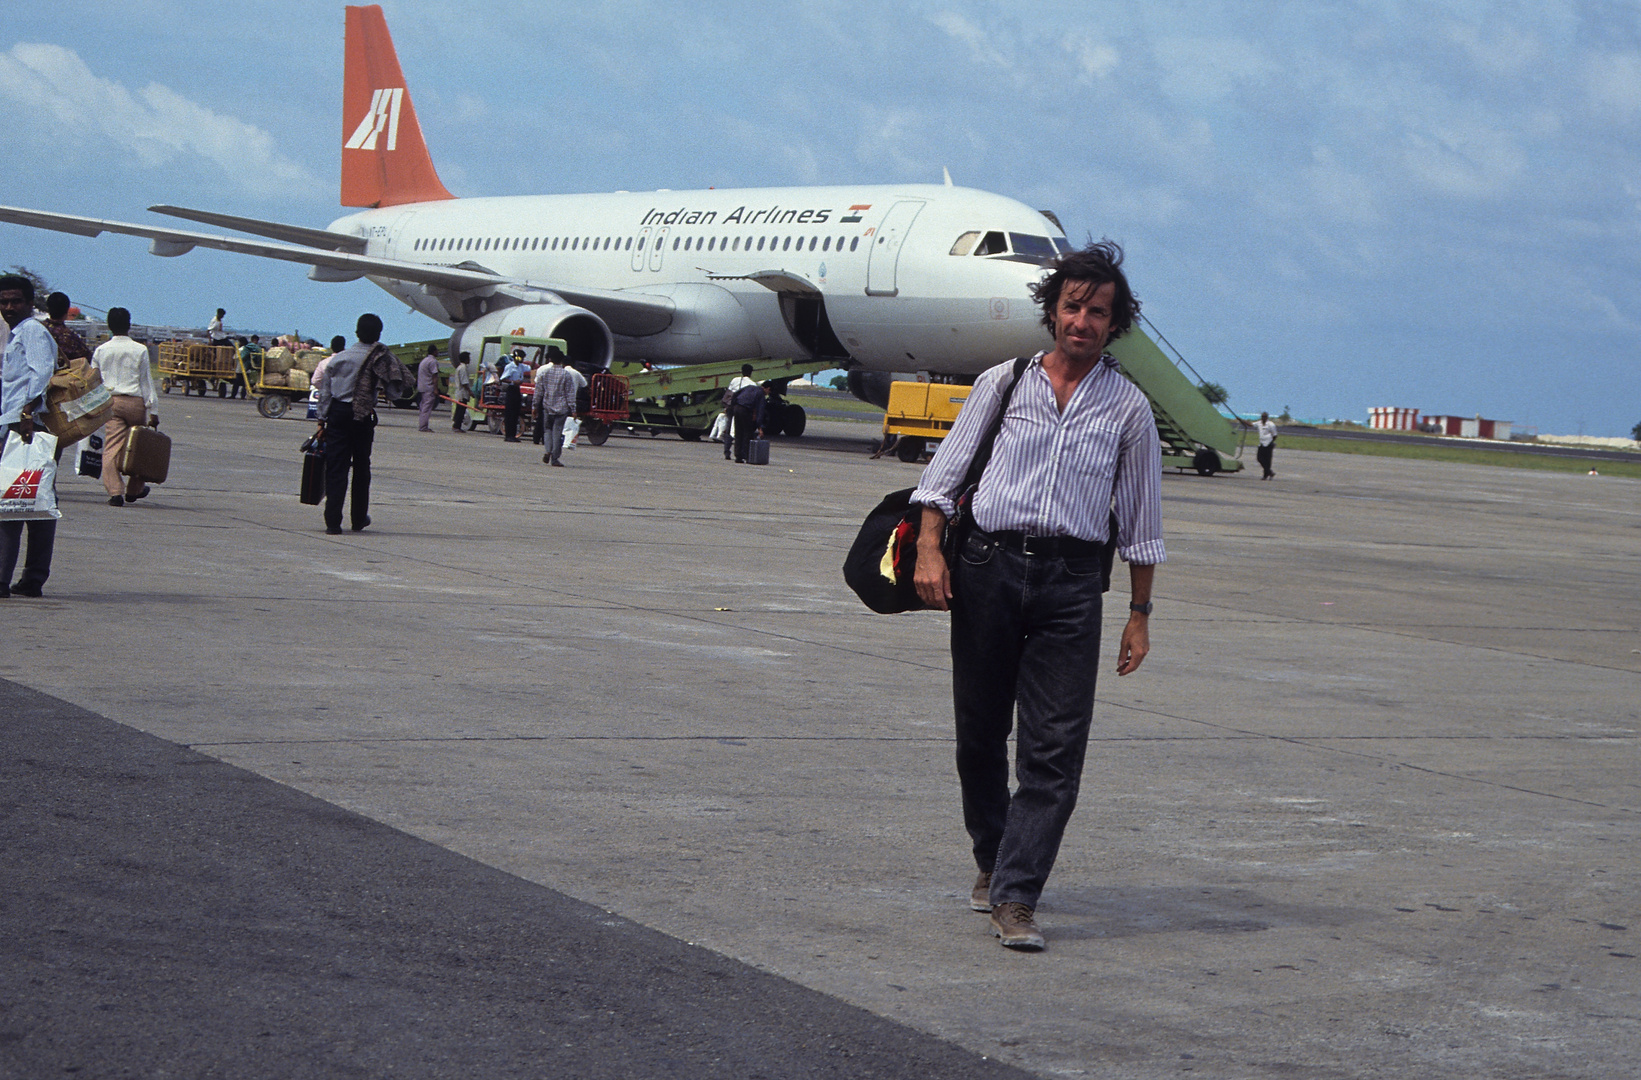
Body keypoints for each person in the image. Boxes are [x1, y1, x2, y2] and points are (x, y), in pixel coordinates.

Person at [910, 241, 1164, 952]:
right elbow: (944, 473)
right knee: (979, 736)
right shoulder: (1003, 381)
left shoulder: (1128, 409)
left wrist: (1138, 615)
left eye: (1099, 312)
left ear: (1115, 324)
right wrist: (931, 549)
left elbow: (1141, 522)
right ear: (1052, 311)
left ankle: (1017, 896)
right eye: (1073, 306)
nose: (1082, 320)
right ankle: (993, 860)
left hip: (1073, 584)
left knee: (1053, 750)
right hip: (987, 566)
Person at [314, 313, 410, 535]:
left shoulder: (338, 360)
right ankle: (358, 518)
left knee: (336, 468)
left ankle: (333, 522)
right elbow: (396, 392)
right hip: (363, 415)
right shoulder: (381, 358)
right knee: (361, 468)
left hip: (338, 414)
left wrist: (321, 422)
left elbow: (325, 394)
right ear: (378, 335)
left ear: (356, 333)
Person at [0, 274, 61, 597]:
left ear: (29, 302)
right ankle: (33, 578)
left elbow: (41, 374)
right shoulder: (17, 333)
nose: (9, 307)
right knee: (36, 503)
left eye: (15, 301)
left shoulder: (32, 332)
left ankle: (5, 578)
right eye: (4, 302)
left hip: (25, 427)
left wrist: (26, 415)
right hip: (18, 423)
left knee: (13, 502)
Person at [90, 307, 159, 506]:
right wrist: (153, 410)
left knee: (111, 447)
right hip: (136, 403)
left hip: (111, 402)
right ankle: (134, 489)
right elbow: (146, 382)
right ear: (129, 325)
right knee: (139, 447)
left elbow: (94, 381)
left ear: (109, 326)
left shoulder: (101, 350)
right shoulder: (140, 349)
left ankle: (115, 491)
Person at [534, 348, 578, 467]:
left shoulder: (544, 374)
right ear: (562, 360)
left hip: (548, 406)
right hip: (562, 408)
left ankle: (548, 450)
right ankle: (555, 458)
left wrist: (534, 406)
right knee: (557, 432)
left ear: (550, 360)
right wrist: (573, 409)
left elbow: (538, 392)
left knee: (547, 430)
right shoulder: (566, 375)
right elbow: (570, 393)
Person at [42, 293, 91, 369]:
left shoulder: (37, 330)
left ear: (48, 308)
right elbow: (87, 359)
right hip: (61, 379)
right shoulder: (71, 337)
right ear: (67, 311)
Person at [728, 375, 765, 464]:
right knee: (747, 433)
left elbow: (735, 394)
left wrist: (732, 408)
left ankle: (738, 456)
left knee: (738, 432)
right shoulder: (760, 393)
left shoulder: (749, 387)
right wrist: (760, 427)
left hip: (737, 408)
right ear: (767, 388)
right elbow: (760, 410)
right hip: (745, 410)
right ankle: (747, 456)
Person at [722, 363, 756, 460]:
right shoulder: (752, 384)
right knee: (741, 431)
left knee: (729, 429)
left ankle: (727, 451)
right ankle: (741, 453)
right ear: (751, 373)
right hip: (742, 409)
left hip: (731, 407)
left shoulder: (735, 380)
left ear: (741, 371)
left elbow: (728, 393)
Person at [500, 348, 527, 441]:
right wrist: (513, 381)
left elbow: (530, 367)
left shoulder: (521, 366)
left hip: (517, 390)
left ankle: (513, 435)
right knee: (510, 413)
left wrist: (536, 356)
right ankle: (508, 435)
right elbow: (503, 378)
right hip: (511, 389)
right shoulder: (510, 366)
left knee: (516, 413)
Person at [416, 344, 440, 432]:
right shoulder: (433, 361)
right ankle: (423, 426)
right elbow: (435, 376)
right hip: (429, 387)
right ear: (434, 351)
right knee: (427, 408)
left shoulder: (424, 360)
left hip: (422, 386)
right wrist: (436, 389)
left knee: (423, 407)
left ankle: (422, 424)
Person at [450, 351, 472, 431]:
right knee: (461, 409)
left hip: (460, 392)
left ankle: (456, 425)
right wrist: (470, 391)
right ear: (466, 359)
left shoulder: (460, 367)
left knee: (459, 408)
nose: (470, 360)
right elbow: (464, 382)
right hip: (462, 392)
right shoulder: (463, 368)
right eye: (469, 358)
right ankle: (457, 426)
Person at [1256, 411, 1278, 480]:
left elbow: (1275, 435)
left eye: (1264, 416)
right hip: (1262, 444)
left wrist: (1270, 442)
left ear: (1267, 417)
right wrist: (1241, 420)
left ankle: (1265, 475)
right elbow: (1251, 424)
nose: (1263, 418)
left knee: (1268, 460)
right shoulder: (1259, 423)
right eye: (1262, 416)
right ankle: (1270, 472)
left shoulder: (1271, 424)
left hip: (1268, 444)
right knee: (1259, 458)